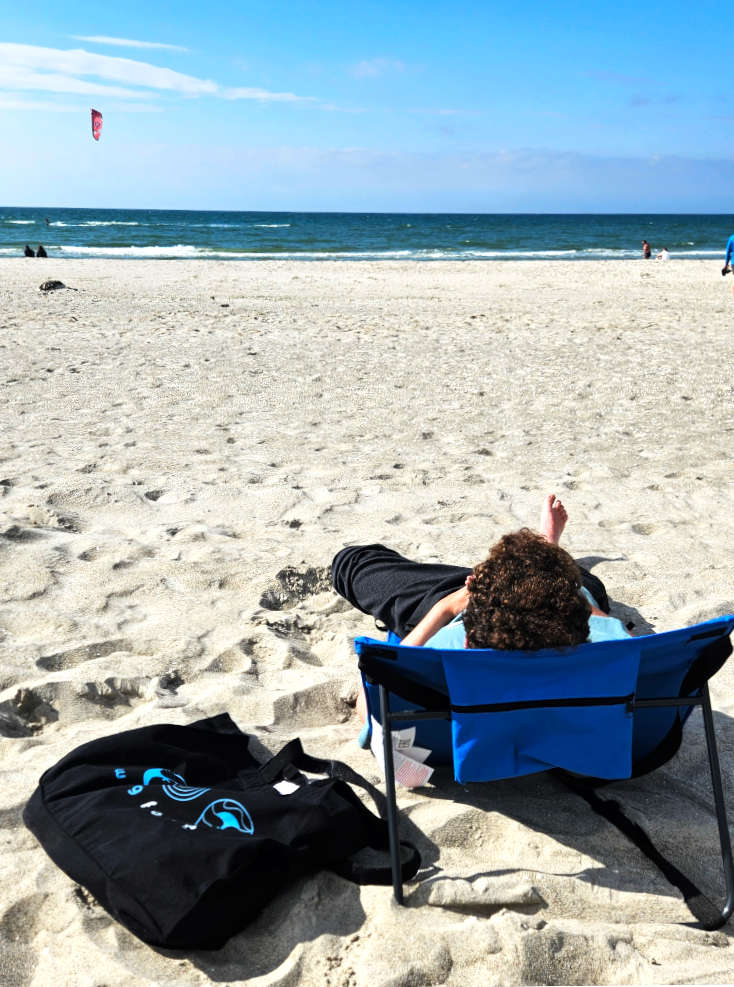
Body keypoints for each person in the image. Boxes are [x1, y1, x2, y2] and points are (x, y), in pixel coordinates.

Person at [331, 494, 629, 652]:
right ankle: (544, 559)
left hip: (465, 602)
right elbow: (625, 637)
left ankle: (541, 560)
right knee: (583, 582)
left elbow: (373, 701)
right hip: (558, 611)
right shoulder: (605, 643)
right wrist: (564, 593)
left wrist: (448, 606)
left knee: (352, 563)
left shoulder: (453, 645)